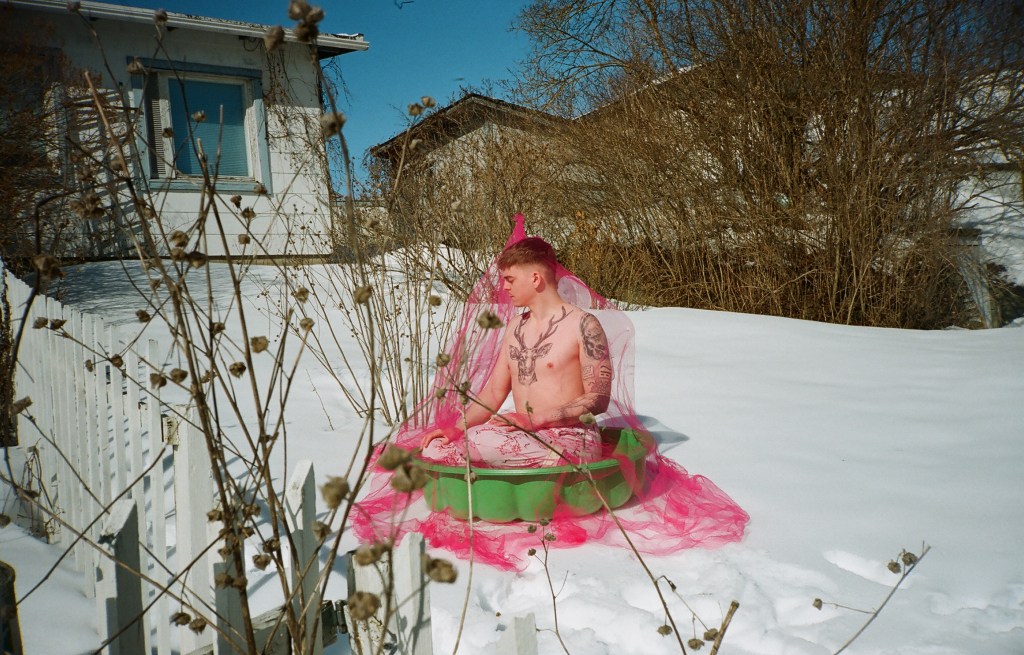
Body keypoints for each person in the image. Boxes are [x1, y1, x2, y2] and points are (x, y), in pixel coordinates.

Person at [419, 237, 613, 467]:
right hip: (524, 435)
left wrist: (535, 419)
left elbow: (598, 398)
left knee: (480, 442)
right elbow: (494, 392)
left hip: (571, 437)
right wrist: (457, 429)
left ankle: (549, 464)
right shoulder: (515, 326)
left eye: (510, 280)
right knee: (436, 447)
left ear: (535, 278)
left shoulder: (583, 325)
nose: (504, 287)